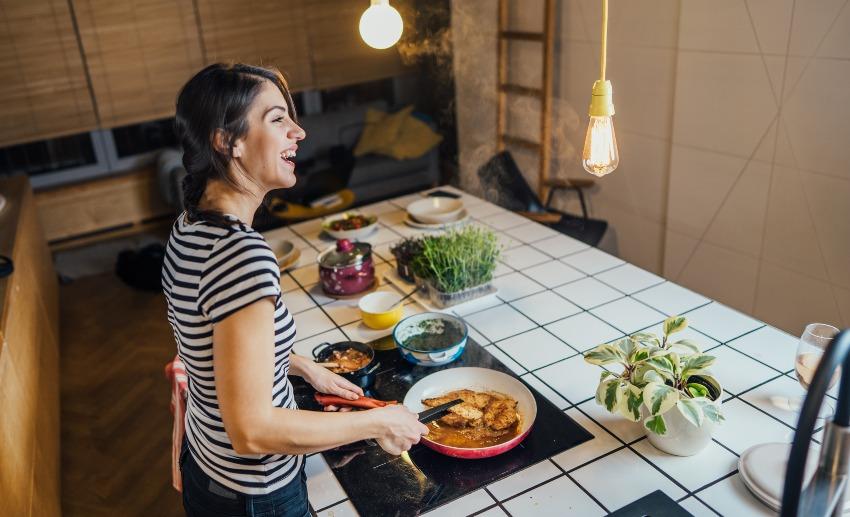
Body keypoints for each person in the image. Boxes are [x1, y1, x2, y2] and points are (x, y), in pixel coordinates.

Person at [162, 63, 428, 517]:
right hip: (256, 492)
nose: (299, 132)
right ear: (229, 142)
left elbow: (213, 348)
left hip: (211, 471)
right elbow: (253, 430)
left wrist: (304, 368)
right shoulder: (241, 256)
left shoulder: (190, 226)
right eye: (277, 119)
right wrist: (379, 420)